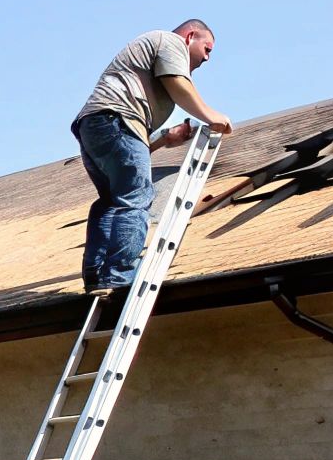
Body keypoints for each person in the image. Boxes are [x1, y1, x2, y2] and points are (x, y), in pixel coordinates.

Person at [72, 20, 233, 295]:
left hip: (95, 126)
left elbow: (129, 144)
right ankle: (120, 274)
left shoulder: (147, 64)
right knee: (137, 199)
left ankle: (97, 276)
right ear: (190, 36)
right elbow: (178, 84)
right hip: (117, 120)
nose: (208, 57)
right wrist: (211, 116)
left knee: (111, 202)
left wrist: (164, 139)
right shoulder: (169, 42)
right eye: (207, 48)